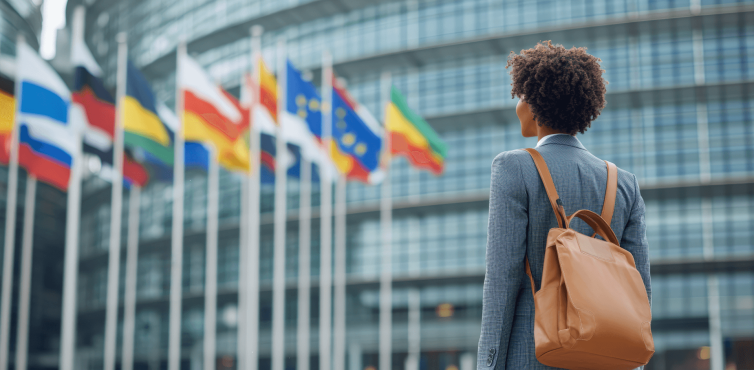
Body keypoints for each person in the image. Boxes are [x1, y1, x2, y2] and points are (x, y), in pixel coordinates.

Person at [477, 41, 651, 369]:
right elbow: (638, 289)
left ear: (534, 102)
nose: (518, 106)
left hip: (531, 357)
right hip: (605, 361)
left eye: (520, 96)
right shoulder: (624, 183)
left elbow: (502, 279)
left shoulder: (513, 167)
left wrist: (488, 364)